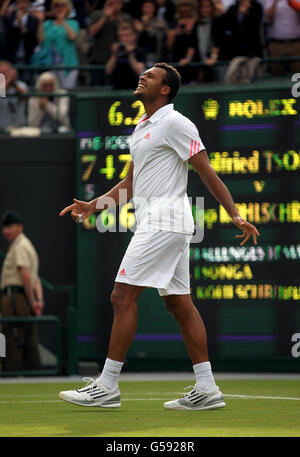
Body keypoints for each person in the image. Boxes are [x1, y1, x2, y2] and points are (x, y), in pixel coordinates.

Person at [58, 62, 260, 411]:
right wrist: (94, 205)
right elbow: (131, 184)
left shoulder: (176, 123)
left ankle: (106, 385)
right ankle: (207, 386)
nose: (142, 77)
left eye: (150, 76)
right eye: (143, 74)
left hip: (165, 222)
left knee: (121, 296)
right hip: (161, 223)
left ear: (165, 89)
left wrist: (235, 214)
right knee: (179, 304)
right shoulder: (141, 128)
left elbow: (207, 171)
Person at [0, 210, 44, 371]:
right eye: (4, 227)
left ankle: (13, 374)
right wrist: (38, 300)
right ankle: (35, 374)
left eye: (10, 226)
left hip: (16, 297)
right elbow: (35, 278)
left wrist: (32, 300)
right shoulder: (25, 244)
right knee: (27, 336)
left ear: (20, 227)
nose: (6, 231)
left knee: (10, 337)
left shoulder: (20, 245)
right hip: (23, 297)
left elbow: (25, 275)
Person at [37, 0, 79, 89]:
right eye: (56, 6)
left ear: (68, 8)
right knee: (52, 92)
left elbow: (72, 37)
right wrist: (40, 21)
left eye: (62, 5)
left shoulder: (73, 23)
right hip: (49, 64)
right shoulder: (47, 24)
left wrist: (62, 20)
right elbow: (41, 39)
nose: (59, 8)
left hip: (67, 65)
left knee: (66, 93)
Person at [88, 0, 132, 86]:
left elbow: (129, 33)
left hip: (120, 59)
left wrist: (117, 17)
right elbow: (92, 33)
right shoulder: (97, 14)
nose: (114, 6)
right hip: (100, 58)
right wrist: (105, 17)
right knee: (99, 87)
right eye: (111, 3)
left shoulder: (125, 17)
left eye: (118, 3)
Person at [264, 0, 300, 75]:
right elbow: (267, 17)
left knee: (297, 76)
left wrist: (292, 3)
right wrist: (275, 3)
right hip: (277, 44)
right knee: (276, 74)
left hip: (296, 43)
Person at [105, 23, 145, 89]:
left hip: (134, 90)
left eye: (127, 35)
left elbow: (139, 71)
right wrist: (114, 54)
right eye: (121, 36)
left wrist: (130, 54)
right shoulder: (115, 51)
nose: (124, 39)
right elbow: (108, 71)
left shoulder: (140, 51)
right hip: (117, 91)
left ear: (134, 36)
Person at [166, 0, 198, 83]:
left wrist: (188, 58)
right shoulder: (173, 23)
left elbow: (194, 43)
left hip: (195, 60)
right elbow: (169, 47)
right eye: (182, 6)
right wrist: (173, 34)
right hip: (177, 61)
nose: (184, 9)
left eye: (187, 6)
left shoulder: (197, 22)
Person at [133, 0, 168, 66]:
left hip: (154, 55)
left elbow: (159, 38)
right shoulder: (136, 22)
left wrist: (146, 27)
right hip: (138, 55)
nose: (147, 10)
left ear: (155, 9)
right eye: (145, 7)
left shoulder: (161, 22)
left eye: (150, 7)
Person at [0, 60, 28, 131]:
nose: (4, 75)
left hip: (18, 128)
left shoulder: (21, 85)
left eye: (6, 72)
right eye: (1, 73)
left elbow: (25, 97)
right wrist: (8, 80)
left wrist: (14, 84)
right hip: (1, 129)